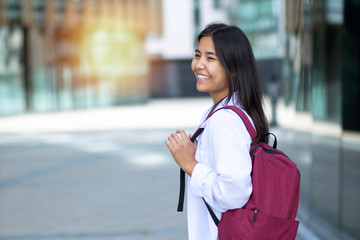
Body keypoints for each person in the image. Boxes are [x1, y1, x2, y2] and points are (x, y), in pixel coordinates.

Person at [165, 23, 269, 240]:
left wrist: (190, 165)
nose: (199, 65)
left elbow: (234, 193)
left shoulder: (224, 121)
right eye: (197, 55)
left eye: (210, 58)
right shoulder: (235, 111)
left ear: (233, 67)